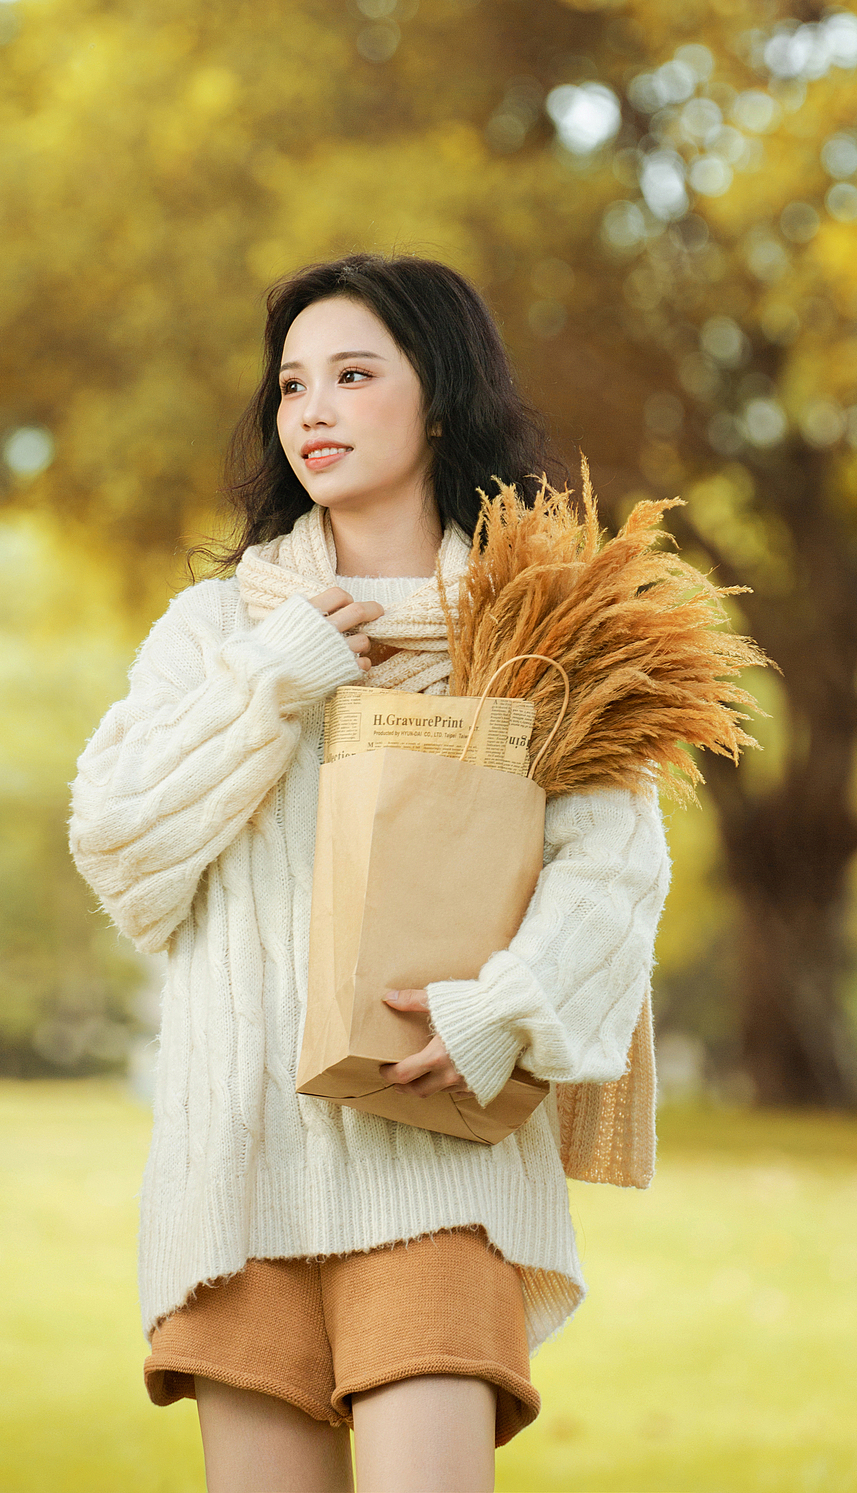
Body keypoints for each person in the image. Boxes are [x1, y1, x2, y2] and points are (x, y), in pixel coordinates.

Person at [69, 254, 670, 1493]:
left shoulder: (541, 630)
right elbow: (123, 847)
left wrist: (502, 1010)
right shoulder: (216, 631)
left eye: (352, 375)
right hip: (233, 1169)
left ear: (437, 401)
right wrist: (275, 678)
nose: (313, 411)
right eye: (291, 385)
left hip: (432, 1162)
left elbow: (612, 868)